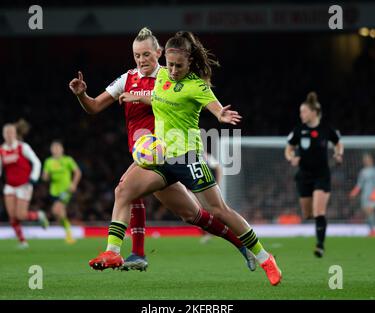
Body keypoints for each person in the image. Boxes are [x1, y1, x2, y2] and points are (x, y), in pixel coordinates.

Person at [86, 30, 282, 286]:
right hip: (161, 158)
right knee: (123, 190)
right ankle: (113, 252)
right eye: (170, 64)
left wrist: (221, 115)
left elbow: (214, 106)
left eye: (179, 65)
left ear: (190, 62)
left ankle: (265, 257)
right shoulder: (163, 76)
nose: (174, 70)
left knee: (218, 210)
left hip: (188, 158)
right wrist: (136, 95)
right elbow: (157, 94)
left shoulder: (196, 85)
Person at [285, 92, 344, 258]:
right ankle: (318, 230)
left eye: (303, 111)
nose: (301, 115)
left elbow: (339, 143)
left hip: (321, 176)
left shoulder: (326, 129)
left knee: (319, 212)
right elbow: (288, 149)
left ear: (313, 112)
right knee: (308, 214)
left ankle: (320, 245)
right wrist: (291, 158)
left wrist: (338, 154)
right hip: (304, 176)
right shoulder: (299, 130)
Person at [0, 123, 49, 248]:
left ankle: (38, 215)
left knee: (20, 215)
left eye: (11, 132)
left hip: (24, 185)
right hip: (10, 186)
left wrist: (33, 178)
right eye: (6, 133)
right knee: (12, 216)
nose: (9, 135)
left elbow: (36, 162)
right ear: (3, 135)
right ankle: (22, 241)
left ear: (15, 134)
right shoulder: (2, 150)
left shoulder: (23, 147)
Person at [42, 140, 82, 244]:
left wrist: (74, 184)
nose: (56, 150)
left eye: (58, 148)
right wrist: (45, 176)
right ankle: (68, 232)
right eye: (54, 148)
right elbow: (45, 177)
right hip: (54, 191)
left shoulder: (68, 160)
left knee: (57, 209)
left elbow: (77, 172)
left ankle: (68, 233)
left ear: (62, 149)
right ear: (51, 150)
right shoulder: (48, 162)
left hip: (66, 190)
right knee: (58, 213)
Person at [349, 153, 375, 237]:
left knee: (370, 212)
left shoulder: (374, 171)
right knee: (368, 214)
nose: (366, 161)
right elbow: (359, 184)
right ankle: (372, 231)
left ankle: (373, 230)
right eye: (364, 159)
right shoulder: (363, 172)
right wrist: (354, 192)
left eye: (367, 159)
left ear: (371, 160)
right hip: (365, 196)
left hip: (373, 195)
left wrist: (374, 193)